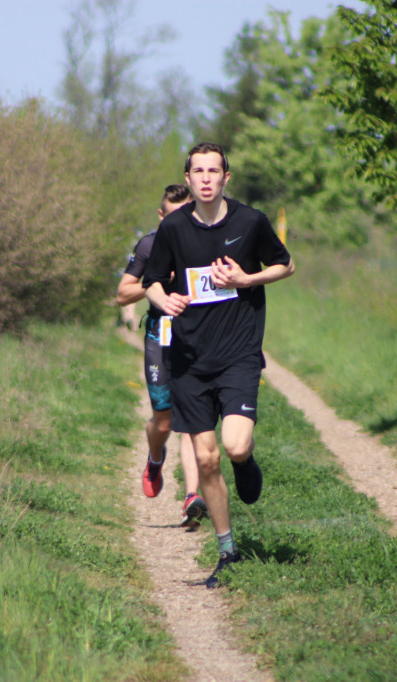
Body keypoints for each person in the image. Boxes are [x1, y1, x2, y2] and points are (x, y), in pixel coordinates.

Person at [142, 142, 294, 588]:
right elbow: (150, 282)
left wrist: (248, 278)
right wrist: (163, 299)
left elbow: (286, 264)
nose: (206, 178)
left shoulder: (250, 222)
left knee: (234, 446)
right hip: (188, 358)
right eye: (197, 171)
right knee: (205, 459)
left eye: (214, 171)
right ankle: (228, 551)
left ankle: (246, 464)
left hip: (238, 353)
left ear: (227, 177)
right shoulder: (172, 228)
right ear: (187, 180)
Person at [117, 184, 208, 528]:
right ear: (161, 216)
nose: (178, 224)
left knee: (193, 420)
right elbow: (123, 294)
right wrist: (156, 282)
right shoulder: (149, 244)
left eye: (184, 215)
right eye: (171, 217)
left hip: (197, 336)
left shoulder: (203, 241)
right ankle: (155, 457)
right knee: (165, 421)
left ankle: (192, 497)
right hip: (160, 335)